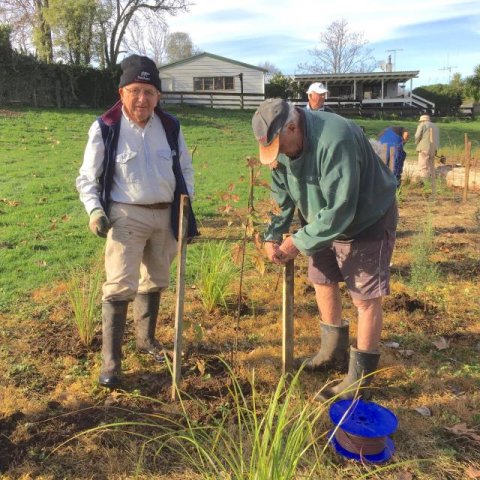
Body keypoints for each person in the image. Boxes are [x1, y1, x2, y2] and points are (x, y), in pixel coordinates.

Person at [251, 98, 398, 401]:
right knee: (322, 279)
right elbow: (281, 196)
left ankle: (359, 379)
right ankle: (332, 352)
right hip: (320, 220)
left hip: (366, 218)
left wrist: (298, 242)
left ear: (292, 126)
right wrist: (273, 234)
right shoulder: (283, 146)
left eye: (280, 146)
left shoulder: (335, 138)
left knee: (365, 297)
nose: (278, 156)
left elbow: (342, 207)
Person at [76, 54, 198, 388]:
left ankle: (147, 341)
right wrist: (95, 211)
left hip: (166, 213)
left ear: (158, 96)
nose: (142, 98)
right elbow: (87, 177)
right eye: (135, 91)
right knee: (119, 285)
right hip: (125, 215)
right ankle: (111, 364)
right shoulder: (106, 127)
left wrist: (187, 207)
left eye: (149, 91)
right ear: (122, 92)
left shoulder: (170, 126)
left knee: (155, 280)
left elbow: (185, 169)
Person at [414, 114, 440, 179]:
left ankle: (424, 180)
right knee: (431, 164)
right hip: (433, 148)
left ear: (422, 121)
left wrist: (417, 143)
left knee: (423, 165)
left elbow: (417, 136)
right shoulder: (435, 126)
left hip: (424, 147)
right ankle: (432, 180)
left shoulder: (422, 125)